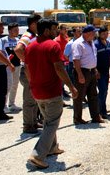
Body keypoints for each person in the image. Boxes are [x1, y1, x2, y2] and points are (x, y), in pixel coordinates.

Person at [25, 19, 78, 169]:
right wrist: (71, 86)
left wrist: (32, 84)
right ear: (47, 30)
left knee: (49, 120)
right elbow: (60, 68)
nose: (57, 32)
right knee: (52, 123)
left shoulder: (31, 46)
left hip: (37, 91)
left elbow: (27, 69)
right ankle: (37, 155)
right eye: (55, 29)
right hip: (51, 92)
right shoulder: (53, 45)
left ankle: (52, 147)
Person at [14, 14, 42, 133]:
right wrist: (27, 62)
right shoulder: (27, 36)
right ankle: (28, 125)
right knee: (29, 100)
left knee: (35, 99)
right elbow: (18, 49)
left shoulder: (33, 35)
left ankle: (33, 122)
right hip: (28, 72)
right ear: (33, 24)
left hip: (33, 71)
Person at [72, 25, 105, 124]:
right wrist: (80, 74)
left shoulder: (91, 43)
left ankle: (95, 117)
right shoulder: (78, 43)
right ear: (87, 33)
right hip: (82, 71)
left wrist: (95, 69)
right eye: (93, 32)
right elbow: (76, 60)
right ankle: (77, 118)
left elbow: (92, 57)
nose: (95, 34)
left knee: (93, 94)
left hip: (91, 71)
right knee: (79, 96)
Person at [2, 22, 22, 112]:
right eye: (15, 30)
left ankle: (12, 104)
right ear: (9, 30)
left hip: (17, 65)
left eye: (18, 30)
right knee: (7, 86)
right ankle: (4, 106)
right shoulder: (3, 40)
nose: (17, 31)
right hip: (7, 66)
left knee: (15, 85)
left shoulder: (18, 40)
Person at [95, 26, 110, 119]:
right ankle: (100, 111)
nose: (105, 35)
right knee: (102, 90)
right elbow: (93, 59)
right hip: (99, 71)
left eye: (106, 33)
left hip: (106, 71)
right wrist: (95, 70)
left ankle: (103, 108)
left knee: (105, 90)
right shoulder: (96, 44)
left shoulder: (108, 43)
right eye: (103, 34)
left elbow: (109, 55)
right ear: (99, 34)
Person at [53, 25, 70, 99]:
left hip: (67, 60)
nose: (66, 30)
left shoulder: (66, 37)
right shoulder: (57, 40)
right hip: (61, 61)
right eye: (64, 29)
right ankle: (61, 92)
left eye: (66, 29)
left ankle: (63, 90)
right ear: (60, 30)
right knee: (61, 78)